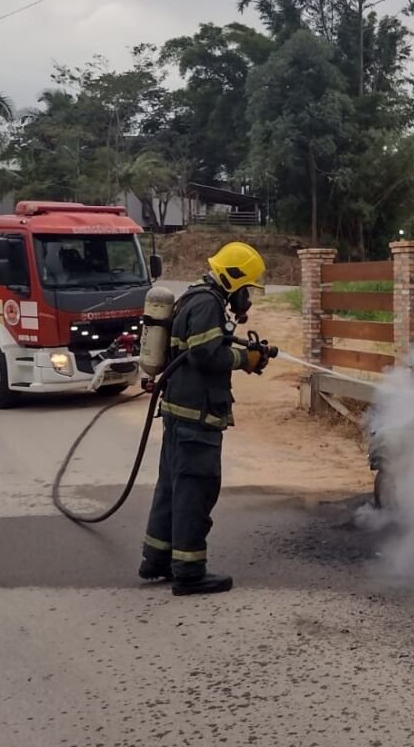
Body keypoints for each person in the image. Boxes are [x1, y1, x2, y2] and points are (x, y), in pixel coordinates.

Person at [139, 242, 270, 595]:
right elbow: (206, 355)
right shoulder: (207, 304)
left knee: (172, 487)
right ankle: (190, 571)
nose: (249, 298)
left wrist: (247, 352)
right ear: (234, 279)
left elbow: (206, 346)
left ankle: (157, 559)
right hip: (196, 418)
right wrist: (247, 361)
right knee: (195, 490)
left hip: (180, 414)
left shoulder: (196, 298)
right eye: (248, 289)